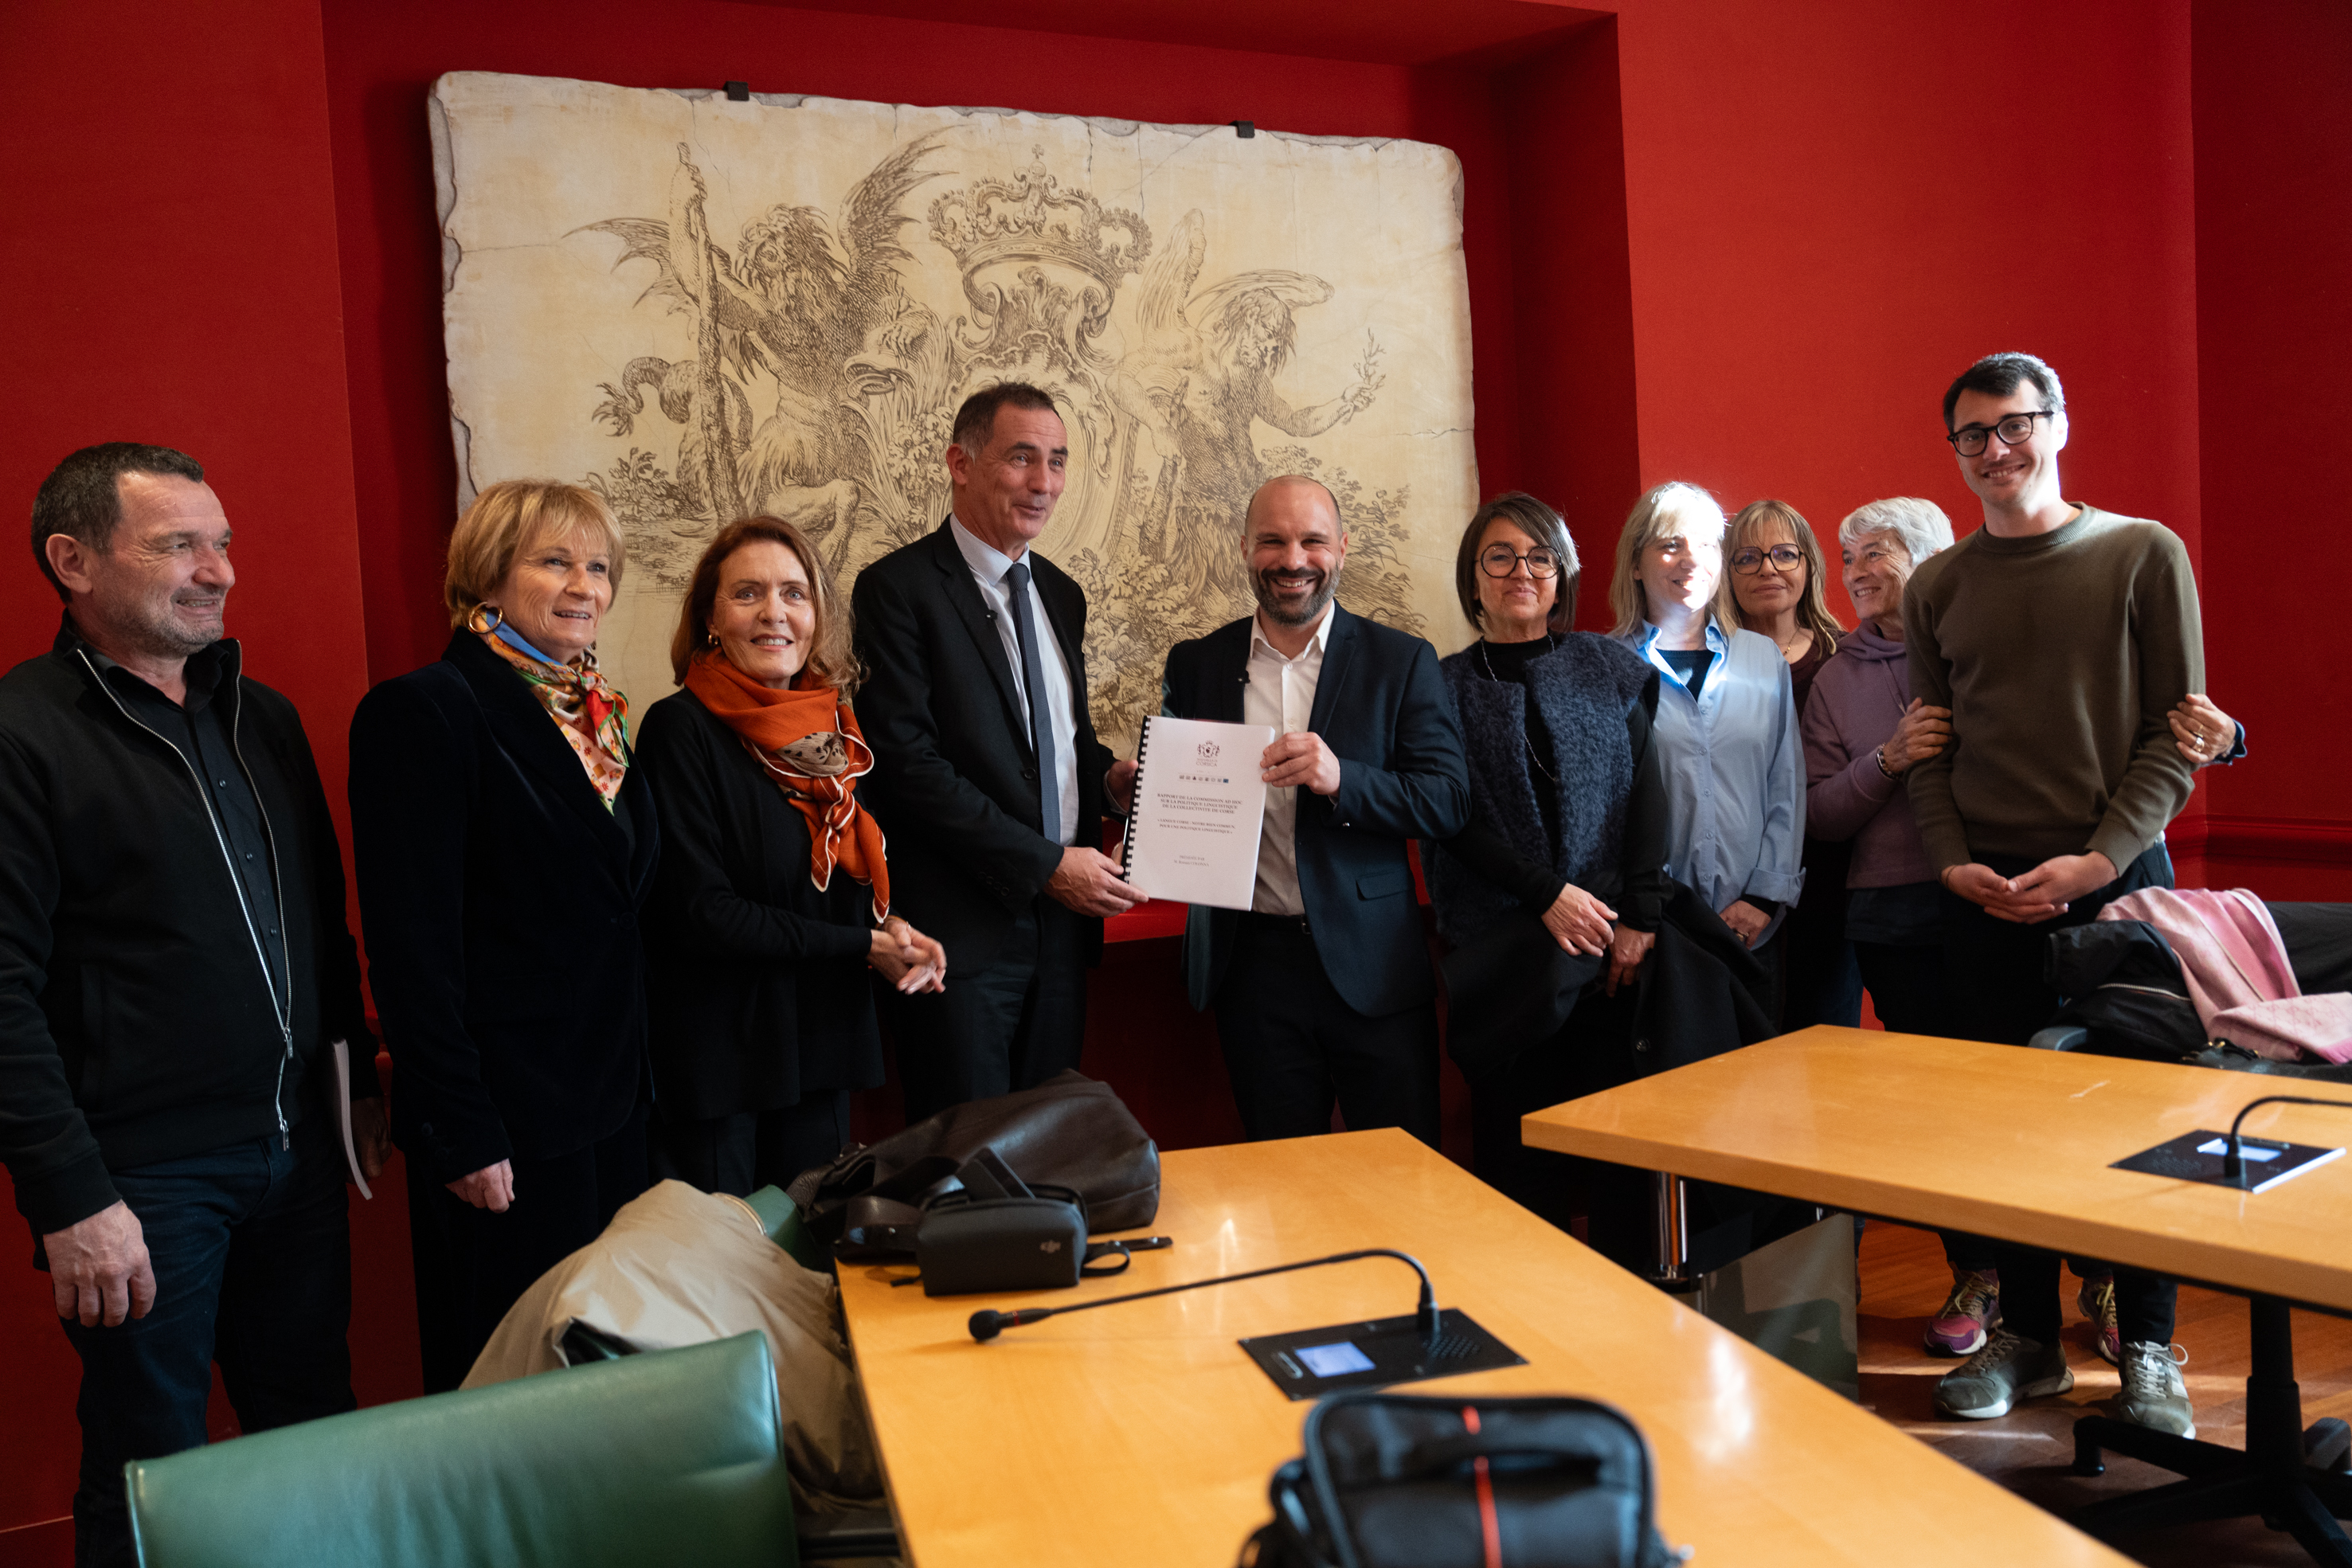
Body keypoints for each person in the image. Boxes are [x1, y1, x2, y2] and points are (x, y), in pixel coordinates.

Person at [0, 443, 383, 1566]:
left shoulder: (257, 715)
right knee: (147, 1464)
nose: (219, 570)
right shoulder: (21, 735)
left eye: (222, 543)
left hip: (298, 1155)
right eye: (180, 544)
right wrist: (71, 1198)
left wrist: (352, 1075)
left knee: (311, 1429)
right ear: (72, 560)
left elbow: (320, 918)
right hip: (140, 1184)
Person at [1906, 352, 2203, 1437]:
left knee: (2137, 1131)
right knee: (2001, 1134)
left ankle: (2151, 1353)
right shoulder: (1937, 582)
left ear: (2059, 425)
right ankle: (2027, 1340)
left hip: (2117, 890)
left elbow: (2174, 737)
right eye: (1973, 435)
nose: (1996, 451)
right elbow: (1930, 751)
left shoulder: (2141, 553)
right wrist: (1950, 863)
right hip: (1980, 896)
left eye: (2015, 426)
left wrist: (2097, 861)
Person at [349, 479, 659, 1393]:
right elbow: (413, 950)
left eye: (598, 567)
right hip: (507, 1124)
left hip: (611, 1107)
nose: (584, 586)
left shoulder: (597, 715)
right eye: (555, 561)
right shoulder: (426, 710)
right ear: (488, 577)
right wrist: (461, 1131)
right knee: (514, 1378)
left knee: (605, 1365)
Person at [850, 384, 1140, 1122]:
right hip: (960, 939)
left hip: (1063, 937)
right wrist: (1045, 866)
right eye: (1021, 458)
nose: (1044, 483)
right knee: (966, 1161)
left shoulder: (1062, 594)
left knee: (1048, 1151)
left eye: (1057, 462)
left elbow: (1055, 744)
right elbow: (907, 766)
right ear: (960, 462)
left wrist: (1110, 780)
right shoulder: (897, 589)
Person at [634, 515, 946, 1195]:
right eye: (747, 594)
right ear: (710, 618)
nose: (774, 612)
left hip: (821, 1044)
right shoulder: (678, 729)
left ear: (816, 616)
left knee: (810, 1280)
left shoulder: (832, 733)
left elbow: (833, 883)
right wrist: (860, 945)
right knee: (725, 1284)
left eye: (793, 594)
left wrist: (888, 926)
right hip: (726, 1065)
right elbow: (703, 913)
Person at [1160, 475, 1469, 1145]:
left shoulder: (1401, 660)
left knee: (1402, 1173)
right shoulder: (1197, 663)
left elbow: (1447, 800)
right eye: (1272, 540)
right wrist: (1139, 786)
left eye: (1311, 541)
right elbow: (1179, 799)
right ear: (1245, 549)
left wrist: (1342, 779)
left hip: (1374, 967)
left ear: (1342, 548)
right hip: (1251, 970)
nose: (1292, 559)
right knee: (1282, 1180)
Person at [1423, 493, 1665, 1247]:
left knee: (1620, 1149)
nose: (1520, 572)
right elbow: (1447, 815)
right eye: (1499, 557)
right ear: (1473, 577)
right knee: (1517, 1152)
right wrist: (1546, 897)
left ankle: (1630, 1309)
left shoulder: (1610, 669)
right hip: (1504, 956)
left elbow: (1646, 795)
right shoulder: (1438, 683)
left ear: (1561, 576)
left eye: (1538, 557)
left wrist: (1640, 918)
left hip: (1610, 956)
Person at [1801, 496, 1995, 1349]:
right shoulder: (1836, 678)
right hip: (1892, 913)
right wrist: (1887, 759)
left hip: (2001, 900)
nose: (1857, 574)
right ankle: (1980, 1276)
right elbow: (1820, 815)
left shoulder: (1977, 646)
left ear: (1928, 557)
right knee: (1944, 1117)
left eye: (1875, 553)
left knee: (2033, 1100)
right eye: (1848, 560)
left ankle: (2098, 1281)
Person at [1607, 483, 1804, 994]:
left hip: (1751, 930)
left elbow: (1786, 789)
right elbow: (1601, 813)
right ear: (1635, 563)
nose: (1690, 559)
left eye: (1707, 544)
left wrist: (1763, 900)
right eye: (1671, 544)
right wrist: (1640, 910)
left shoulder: (1763, 659)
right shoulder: (1602, 667)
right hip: (1653, 930)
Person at [1725, 499, 1856, 1028]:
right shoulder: (1709, 661)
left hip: (1829, 884)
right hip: (1735, 884)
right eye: (1747, 557)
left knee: (1824, 1042)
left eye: (1785, 553)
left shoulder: (1845, 657)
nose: (1768, 569)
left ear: (1808, 566)